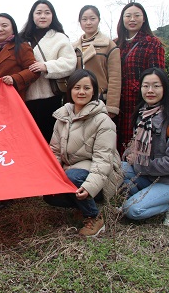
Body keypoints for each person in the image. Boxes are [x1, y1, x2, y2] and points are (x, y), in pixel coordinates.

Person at [44, 69, 122, 237]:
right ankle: (81, 204)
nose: (81, 92)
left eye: (87, 88)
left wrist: (90, 187)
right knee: (50, 195)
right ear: (70, 90)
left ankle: (94, 217)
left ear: (94, 92)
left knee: (73, 177)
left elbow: (103, 160)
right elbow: (55, 151)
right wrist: (51, 177)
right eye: (77, 87)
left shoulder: (103, 121)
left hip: (102, 176)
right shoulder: (62, 117)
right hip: (72, 171)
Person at [120, 67, 169, 226]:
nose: (150, 90)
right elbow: (136, 144)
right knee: (115, 168)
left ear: (165, 89)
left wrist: (140, 163)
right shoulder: (142, 115)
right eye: (145, 86)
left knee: (132, 211)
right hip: (146, 175)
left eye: (156, 86)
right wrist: (129, 154)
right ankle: (144, 196)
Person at [20, 0, 76, 142]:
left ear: (53, 16)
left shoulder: (60, 37)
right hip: (24, 98)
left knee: (48, 138)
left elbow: (70, 62)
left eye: (47, 13)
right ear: (32, 16)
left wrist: (47, 66)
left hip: (50, 97)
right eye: (38, 13)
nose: (43, 16)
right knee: (28, 139)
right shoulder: (22, 38)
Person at [115, 2, 165, 153]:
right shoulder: (116, 44)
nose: (132, 19)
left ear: (144, 19)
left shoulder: (152, 43)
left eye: (137, 15)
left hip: (140, 100)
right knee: (116, 138)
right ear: (122, 19)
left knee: (136, 138)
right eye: (128, 16)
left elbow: (158, 75)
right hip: (117, 100)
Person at [72, 5, 121, 118]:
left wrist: (111, 107)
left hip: (100, 100)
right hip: (78, 99)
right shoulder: (73, 47)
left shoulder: (109, 45)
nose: (88, 22)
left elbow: (115, 79)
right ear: (80, 22)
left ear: (99, 20)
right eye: (84, 19)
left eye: (92, 19)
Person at [0, 13, 40, 98]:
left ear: (13, 28)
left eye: (4, 26)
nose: (0, 29)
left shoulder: (21, 47)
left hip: (10, 98)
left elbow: (34, 71)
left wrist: (14, 79)